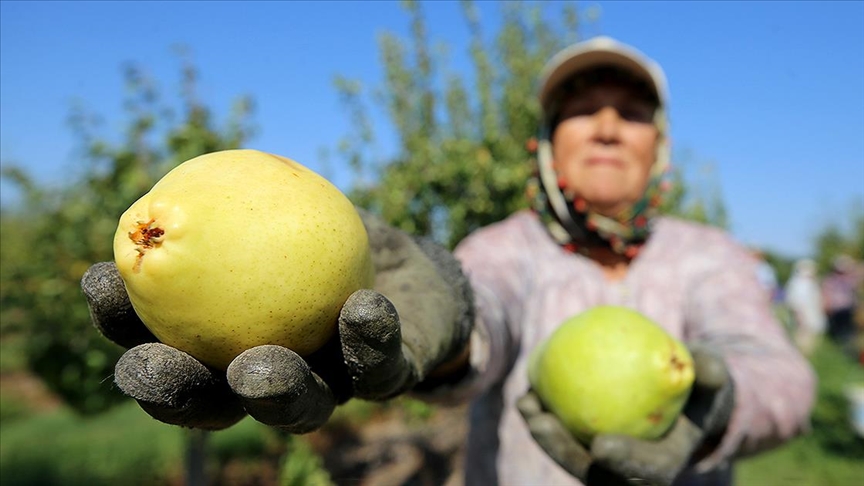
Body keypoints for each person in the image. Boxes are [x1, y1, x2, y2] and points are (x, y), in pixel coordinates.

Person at [81, 36, 816, 486]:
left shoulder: (706, 254)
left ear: (659, 146)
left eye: (630, 113)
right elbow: (481, 322)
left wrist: (718, 411)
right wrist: (447, 332)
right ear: (546, 144)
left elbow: (781, 376)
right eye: (580, 109)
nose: (604, 126)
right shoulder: (503, 248)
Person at [821, 254, 863, 353]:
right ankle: (838, 350)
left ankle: (846, 350)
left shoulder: (849, 279)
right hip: (836, 310)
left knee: (848, 332)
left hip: (848, 309)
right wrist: (826, 306)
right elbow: (826, 294)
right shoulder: (830, 280)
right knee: (838, 332)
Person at [785, 259, 826, 354]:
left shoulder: (809, 283)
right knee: (803, 345)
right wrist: (800, 318)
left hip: (810, 317)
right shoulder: (800, 283)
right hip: (804, 318)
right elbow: (796, 302)